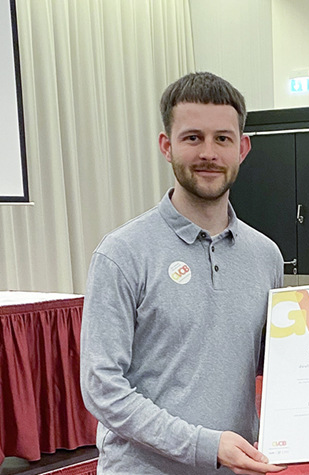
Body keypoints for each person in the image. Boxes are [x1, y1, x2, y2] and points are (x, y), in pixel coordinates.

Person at [80, 72, 285, 475]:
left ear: (242, 148)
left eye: (222, 139)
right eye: (193, 137)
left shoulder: (266, 256)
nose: (209, 152)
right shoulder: (121, 254)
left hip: (236, 468)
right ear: (166, 145)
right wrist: (203, 445)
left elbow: (271, 363)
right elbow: (103, 388)